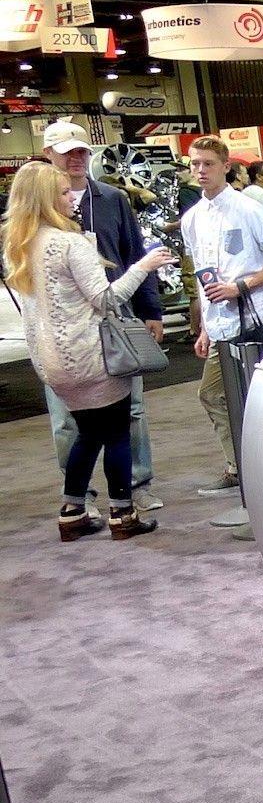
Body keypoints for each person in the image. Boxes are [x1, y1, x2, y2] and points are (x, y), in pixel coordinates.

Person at [3, 161, 176, 539]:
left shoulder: (17, 247)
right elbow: (108, 299)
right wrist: (144, 266)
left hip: (49, 360)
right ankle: (122, 514)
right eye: (64, 193)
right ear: (47, 199)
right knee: (115, 433)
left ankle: (72, 511)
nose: (72, 198)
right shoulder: (69, 243)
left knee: (87, 433)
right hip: (90, 356)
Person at [38, 118, 166, 515]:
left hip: (117, 321)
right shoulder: (38, 214)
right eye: (66, 152)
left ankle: (137, 482)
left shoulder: (111, 199)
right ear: (48, 156)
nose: (76, 158)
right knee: (66, 421)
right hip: (68, 331)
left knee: (134, 411)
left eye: (81, 151)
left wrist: (151, 310)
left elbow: (133, 250)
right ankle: (82, 495)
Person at [180, 135, 263, 496]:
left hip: (260, 318)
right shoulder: (191, 219)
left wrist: (242, 286)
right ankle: (239, 465)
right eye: (195, 164)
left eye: (208, 163)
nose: (201, 170)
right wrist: (204, 328)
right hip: (221, 324)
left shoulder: (248, 208)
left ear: (226, 167)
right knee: (214, 395)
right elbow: (202, 275)